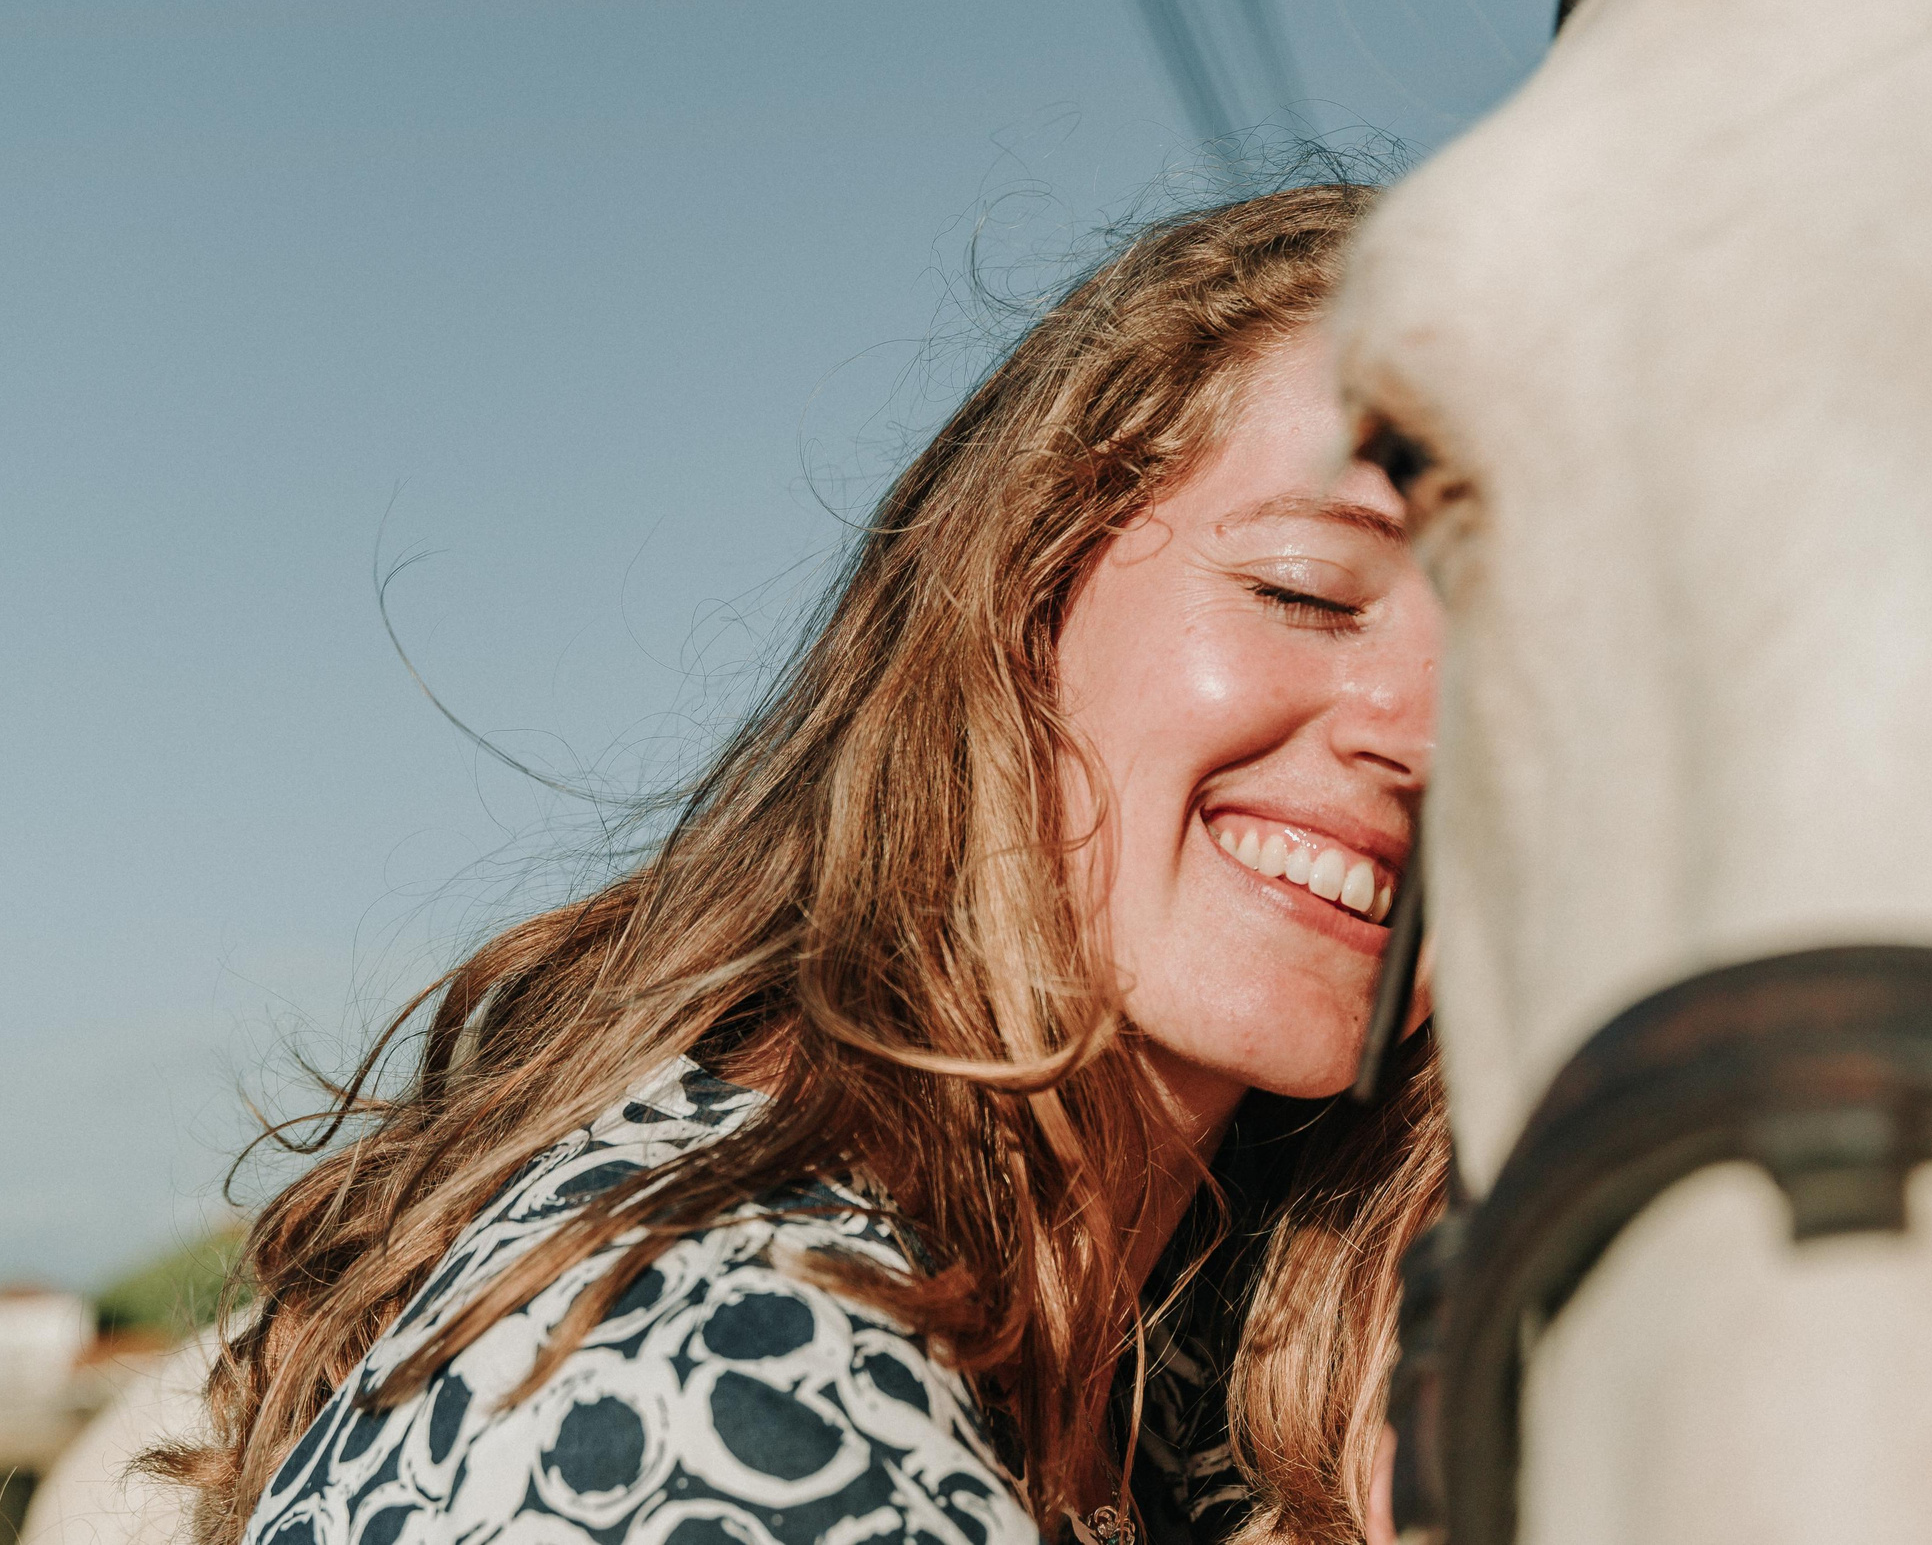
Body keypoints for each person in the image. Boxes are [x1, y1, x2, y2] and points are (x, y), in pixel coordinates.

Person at [149, 182, 1448, 1545]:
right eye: (1307, 589)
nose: (1426, 732)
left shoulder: (1183, 1347)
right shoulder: (731, 1406)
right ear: (1023, 590)